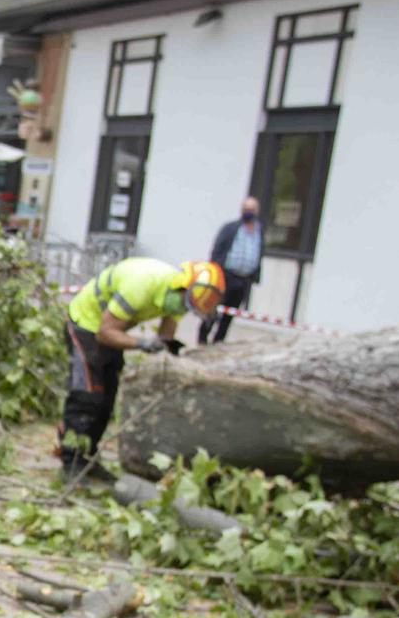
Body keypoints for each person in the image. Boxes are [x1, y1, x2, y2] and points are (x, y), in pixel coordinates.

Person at [59, 257, 224, 485]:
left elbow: (166, 334)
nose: (183, 309)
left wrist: (168, 354)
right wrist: (141, 343)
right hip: (87, 324)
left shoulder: (180, 298)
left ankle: (88, 459)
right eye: (185, 304)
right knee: (87, 396)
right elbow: (104, 333)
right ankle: (70, 461)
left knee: (107, 402)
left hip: (115, 330)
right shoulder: (142, 284)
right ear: (181, 287)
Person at [199, 194, 261, 343]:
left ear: (257, 211)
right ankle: (202, 338)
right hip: (226, 276)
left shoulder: (259, 232)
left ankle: (218, 341)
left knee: (230, 313)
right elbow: (217, 250)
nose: (248, 212)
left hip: (244, 279)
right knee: (215, 308)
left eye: (251, 209)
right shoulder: (231, 228)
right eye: (246, 208)